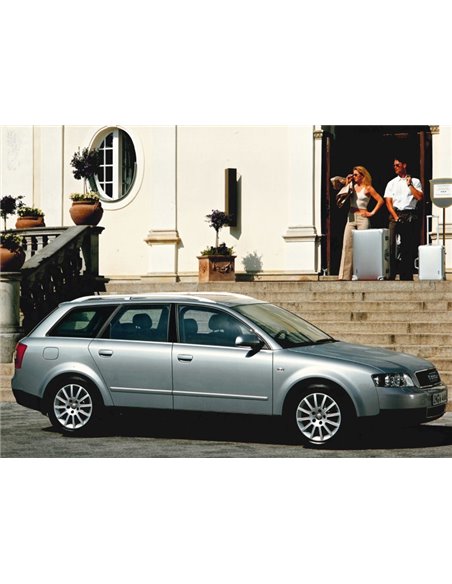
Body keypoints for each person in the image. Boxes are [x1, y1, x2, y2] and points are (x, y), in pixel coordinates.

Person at [338, 165, 384, 280]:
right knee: (347, 244)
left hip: (362, 217)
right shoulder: (352, 186)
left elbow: (380, 200)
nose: (354, 176)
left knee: (363, 246)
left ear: (362, 175)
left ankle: (363, 273)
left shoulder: (368, 188)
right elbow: (339, 190)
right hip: (351, 217)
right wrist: (347, 182)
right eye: (353, 174)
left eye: (356, 175)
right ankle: (345, 275)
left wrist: (371, 213)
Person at [384, 158, 423, 280]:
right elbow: (388, 202)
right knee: (391, 244)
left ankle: (406, 275)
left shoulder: (415, 181)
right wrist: (395, 217)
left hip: (408, 214)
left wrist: (409, 185)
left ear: (404, 165)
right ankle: (391, 274)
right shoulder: (391, 183)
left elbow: (419, 197)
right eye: (394, 165)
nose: (395, 167)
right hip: (395, 213)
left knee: (407, 245)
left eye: (397, 165)